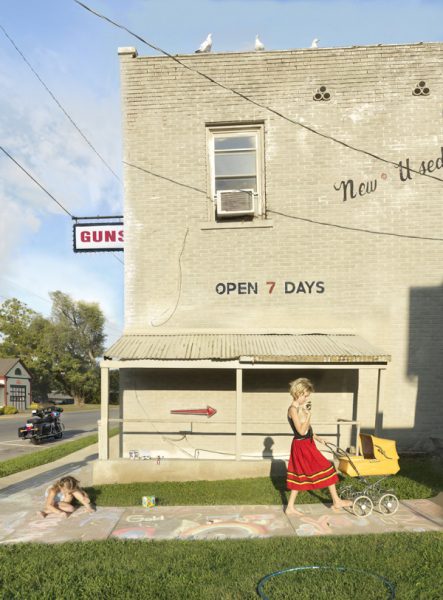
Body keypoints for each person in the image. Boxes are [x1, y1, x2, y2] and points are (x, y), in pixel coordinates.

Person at [285, 378, 352, 515]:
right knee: (327, 467)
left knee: (301, 474)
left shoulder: (299, 408)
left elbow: (307, 429)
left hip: (307, 443)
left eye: (307, 395)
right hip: (302, 446)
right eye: (305, 395)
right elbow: (300, 431)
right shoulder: (293, 409)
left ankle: (290, 507)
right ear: (298, 393)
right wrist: (309, 415)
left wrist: (318, 438)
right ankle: (336, 501)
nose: (306, 398)